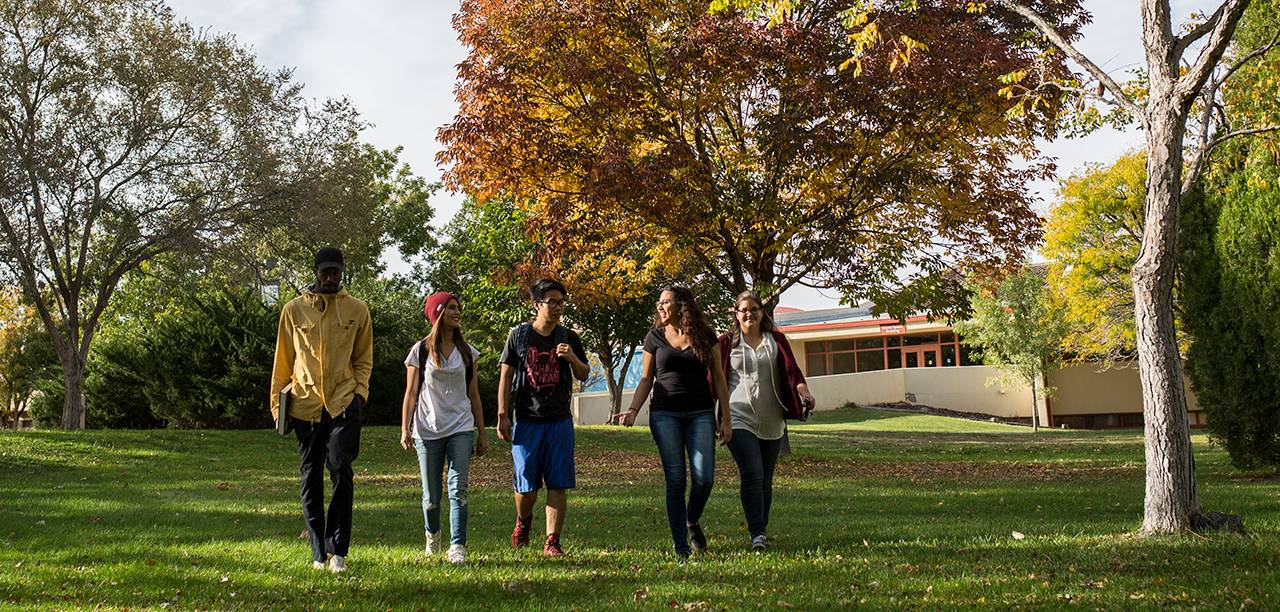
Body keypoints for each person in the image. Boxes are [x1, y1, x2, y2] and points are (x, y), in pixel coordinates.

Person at [270, 247, 373, 573]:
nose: (330, 278)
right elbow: (283, 361)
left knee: (341, 471)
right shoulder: (293, 310)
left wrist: (359, 393)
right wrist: (277, 406)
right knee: (310, 477)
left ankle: (338, 550)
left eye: (335, 272)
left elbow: (364, 359)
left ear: (342, 273)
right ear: (315, 272)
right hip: (305, 406)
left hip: (344, 403)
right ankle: (318, 551)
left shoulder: (358, 310)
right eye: (325, 272)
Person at [612, 286, 731, 557]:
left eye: (666, 302)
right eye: (659, 302)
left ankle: (691, 519)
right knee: (676, 479)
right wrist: (632, 410)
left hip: (700, 413)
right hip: (665, 414)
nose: (660, 307)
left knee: (705, 478)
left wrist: (726, 418)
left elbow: (720, 379)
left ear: (682, 306)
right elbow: (645, 379)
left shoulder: (705, 335)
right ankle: (681, 547)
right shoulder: (654, 337)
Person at [497, 278, 590, 556]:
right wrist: (503, 414)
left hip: (559, 420)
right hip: (527, 419)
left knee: (558, 482)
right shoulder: (520, 336)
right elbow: (506, 375)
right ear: (537, 304)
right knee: (526, 487)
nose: (558, 307)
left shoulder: (569, 337)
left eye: (561, 302)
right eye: (552, 302)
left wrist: (572, 358)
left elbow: (584, 374)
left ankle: (552, 541)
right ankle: (523, 522)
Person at [717, 291, 814, 552]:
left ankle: (761, 528)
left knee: (766, 478)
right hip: (738, 417)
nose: (749, 314)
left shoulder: (776, 341)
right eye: (743, 310)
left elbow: (793, 373)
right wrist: (716, 418)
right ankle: (757, 534)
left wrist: (804, 392)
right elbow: (714, 380)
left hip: (771, 418)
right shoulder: (726, 343)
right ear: (736, 314)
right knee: (752, 473)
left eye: (754, 309)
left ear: (762, 312)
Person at [400, 292, 487, 564]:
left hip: (460, 426)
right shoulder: (420, 351)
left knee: (458, 489)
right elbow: (411, 393)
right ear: (437, 313)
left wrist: (481, 432)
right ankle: (432, 536)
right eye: (451, 307)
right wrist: (405, 428)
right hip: (427, 429)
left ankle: (457, 546)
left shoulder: (468, 353)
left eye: (458, 307)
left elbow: (474, 395)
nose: (457, 312)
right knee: (431, 497)